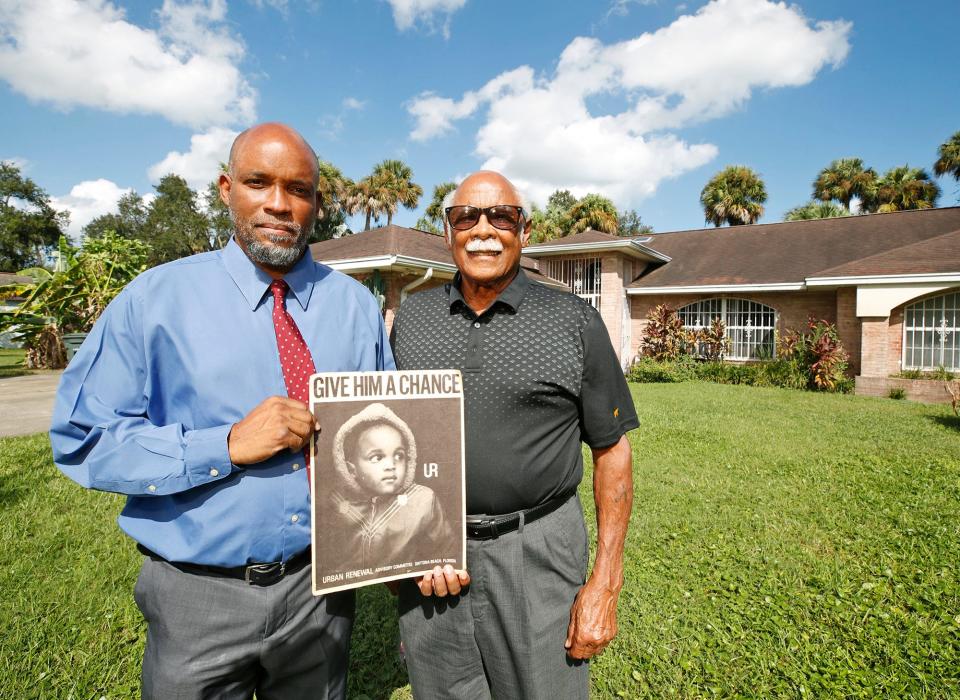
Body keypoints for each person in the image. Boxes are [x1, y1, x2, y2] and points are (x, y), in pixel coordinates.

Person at [50, 122, 394, 700]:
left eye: (299, 189)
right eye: (259, 183)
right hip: (198, 599)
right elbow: (83, 437)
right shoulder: (154, 300)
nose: (279, 205)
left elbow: (391, 425)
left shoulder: (355, 306)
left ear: (316, 201)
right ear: (225, 188)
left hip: (323, 591)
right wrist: (226, 444)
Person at [389, 170, 637, 699]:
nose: (483, 229)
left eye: (500, 216)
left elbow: (613, 449)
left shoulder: (573, 321)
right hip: (434, 554)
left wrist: (606, 582)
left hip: (537, 550)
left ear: (524, 229)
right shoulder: (412, 318)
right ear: (448, 230)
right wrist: (406, 546)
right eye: (466, 217)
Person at [326, 402, 449, 572]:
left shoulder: (424, 500)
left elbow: (445, 548)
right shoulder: (338, 502)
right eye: (377, 457)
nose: (391, 465)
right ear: (351, 469)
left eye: (399, 455)